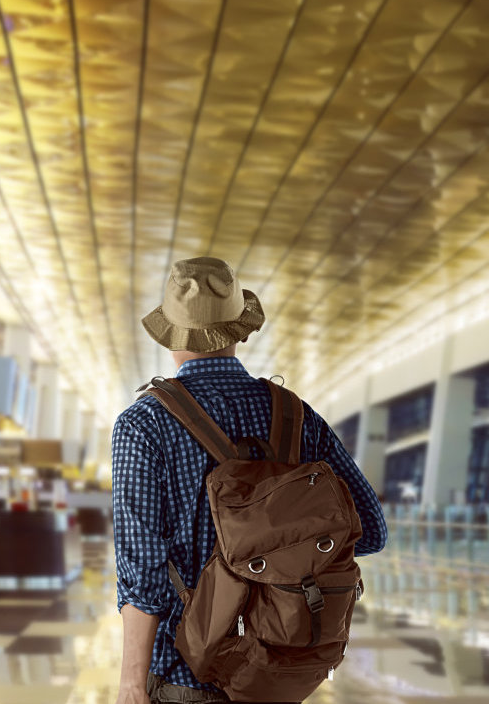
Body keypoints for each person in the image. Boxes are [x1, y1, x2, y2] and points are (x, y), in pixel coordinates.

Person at [111, 257, 388, 704]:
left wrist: (130, 685)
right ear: (239, 328)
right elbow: (371, 533)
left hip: (186, 678)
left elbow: (142, 571)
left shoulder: (145, 425)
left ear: (171, 335)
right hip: (278, 674)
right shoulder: (295, 416)